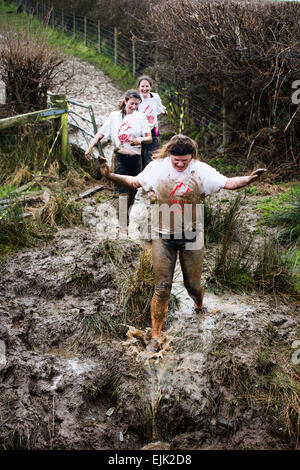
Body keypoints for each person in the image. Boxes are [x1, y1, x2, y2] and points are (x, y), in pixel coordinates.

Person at [97, 134, 266, 352]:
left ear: (191, 157)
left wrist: (250, 179)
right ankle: (156, 336)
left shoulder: (201, 170)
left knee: (192, 285)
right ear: (169, 154)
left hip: (192, 236)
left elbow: (229, 183)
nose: (179, 164)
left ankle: (199, 304)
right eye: (175, 160)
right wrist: (109, 175)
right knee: (162, 287)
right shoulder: (157, 168)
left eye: (184, 161)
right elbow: (132, 181)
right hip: (163, 236)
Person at [85, 89, 152, 211]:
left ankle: (128, 214)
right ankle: (122, 221)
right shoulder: (115, 116)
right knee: (122, 190)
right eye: (131, 103)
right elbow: (101, 133)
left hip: (136, 158)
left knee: (133, 190)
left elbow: (149, 137)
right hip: (119, 157)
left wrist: (141, 139)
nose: (134, 106)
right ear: (125, 101)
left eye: (137, 104)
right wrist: (90, 147)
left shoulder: (141, 117)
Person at [137, 75, 168, 168]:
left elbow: (160, 106)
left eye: (147, 86)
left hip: (153, 128)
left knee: (152, 153)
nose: (144, 88)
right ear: (138, 87)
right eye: (142, 86)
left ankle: (150, 172)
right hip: (139, 130)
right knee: (139, 154)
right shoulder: (136, 98)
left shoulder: (155, 97)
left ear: (151, 87)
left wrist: (164, 111)